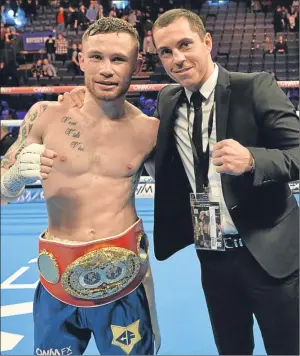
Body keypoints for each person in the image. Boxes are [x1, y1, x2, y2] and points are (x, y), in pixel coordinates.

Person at [59, 9, 299, 356]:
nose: (177, 59)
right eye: (166, 52)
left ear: (207, 42)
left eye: (184, 45)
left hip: (270, 255)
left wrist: (253, 161)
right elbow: (130, 130)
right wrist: (83, 103)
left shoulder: (255, 87)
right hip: (213, 257)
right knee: (231, 349)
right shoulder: (168, 100)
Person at [0, 17, 160, 356]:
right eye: (96, 57)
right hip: (56, 284)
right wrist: (13, 178)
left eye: (118, 59)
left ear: (138, 64)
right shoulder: (44, 115)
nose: (106, 69)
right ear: (80, 58)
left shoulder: (149, 130)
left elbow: (182, 190)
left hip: (125, 286)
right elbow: (1, 191)